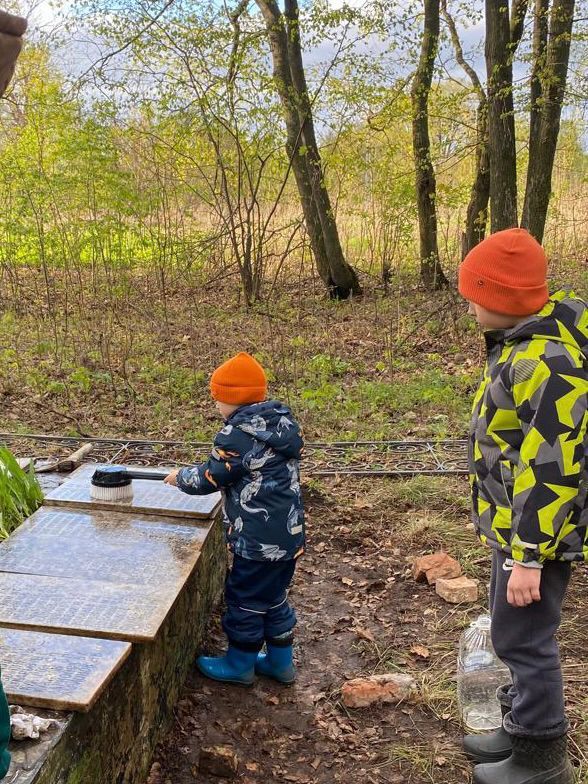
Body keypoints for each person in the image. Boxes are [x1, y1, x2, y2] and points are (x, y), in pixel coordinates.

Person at [458, 228, 587, 784]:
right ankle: (517, 726)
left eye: (475, 294)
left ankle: (542, 758)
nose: (468, 305)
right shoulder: (520, 344)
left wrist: (530, 555)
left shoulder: (548, 363)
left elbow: (551, 468)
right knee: (512, 627)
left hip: (538, 535)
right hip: (516, 531)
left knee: (523, 638)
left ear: (502, 298)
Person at [165, 352, 305, 686]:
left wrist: (179, 477)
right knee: (274, 596)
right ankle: (279, 663)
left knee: (244, 599)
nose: (216, 406)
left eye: (218, 399)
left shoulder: (237, 435)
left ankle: (239, 665)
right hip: (289, 536)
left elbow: (211, 477)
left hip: (256, 540)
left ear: (233, 399)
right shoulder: (281, 424)